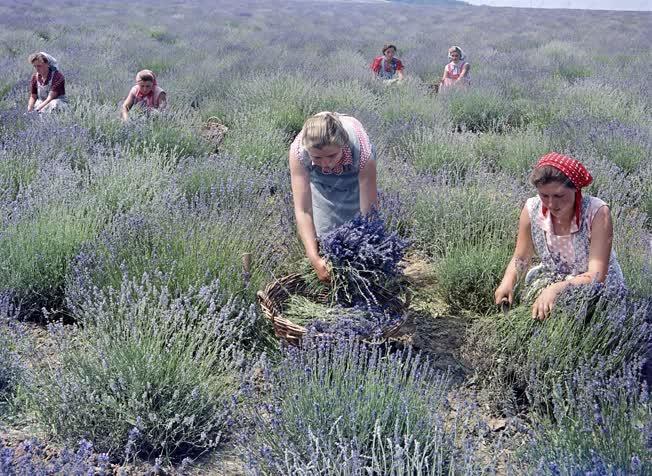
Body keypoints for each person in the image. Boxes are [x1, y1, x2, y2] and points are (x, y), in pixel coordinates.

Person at [494, 152, 624, 320]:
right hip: (553, 279)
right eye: (544, 195)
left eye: (558, 195)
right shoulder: (532, 209)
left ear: (576, 190)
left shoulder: (597, 212)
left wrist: (556, 289)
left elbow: (597, 276)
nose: (551, 204)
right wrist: (508, 281)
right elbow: (521, 257)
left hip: (593, 288)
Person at [289, 112, 378, 282]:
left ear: (342, 145)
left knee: (357, 224)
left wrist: (368, 253)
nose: (326, 163)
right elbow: (303, 210)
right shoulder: (298, 152)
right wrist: (314, 259)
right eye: (317, 157)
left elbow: (369, 211)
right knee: (325, 232)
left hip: (353, 166)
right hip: (321, 176)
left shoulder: (362, 151)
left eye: (331, 156)